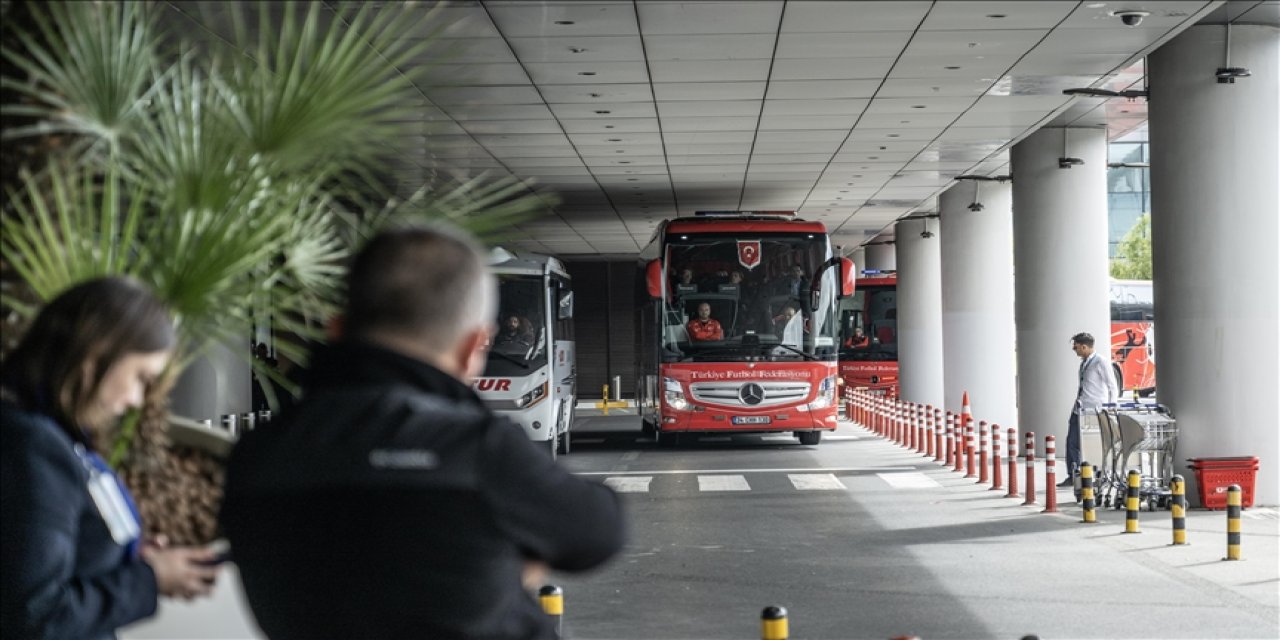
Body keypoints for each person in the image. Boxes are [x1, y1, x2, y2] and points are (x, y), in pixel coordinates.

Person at [220, 226, 626, 639]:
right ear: (472, 349)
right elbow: (599, 530)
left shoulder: (258, 453)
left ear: (336, 331)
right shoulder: (477, 450)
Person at [1, 277, 220, 639]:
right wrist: (150, 579)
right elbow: (36, 615)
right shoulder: (33, 448)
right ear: (97, 352)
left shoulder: (51, 438)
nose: (136, 400)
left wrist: (130, 559)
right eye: (140, 377)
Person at [1062, 332, 1119, 486]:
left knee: (1095, 443)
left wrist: (1111, 406)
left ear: (1084, 346)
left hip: (1095, 410)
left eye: (1076, 347)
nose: (1074, 350)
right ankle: (1074, 475)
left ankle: (1101, 474)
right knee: (1072, 442)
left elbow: (1112, 385)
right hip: (1079, 408)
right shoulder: (1084, 362)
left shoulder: (1100, 362)